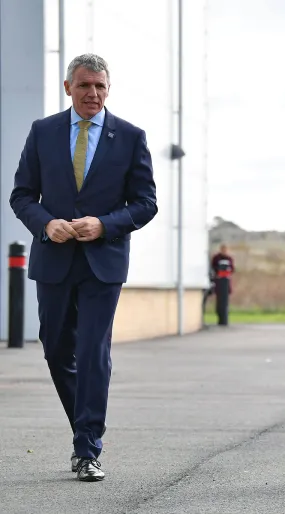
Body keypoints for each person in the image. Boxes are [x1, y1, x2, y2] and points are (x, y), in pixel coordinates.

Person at [9, 53, 158, 482]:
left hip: (103, 262)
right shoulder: (43, 133)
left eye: (100, 87)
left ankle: (88, 446)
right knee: (56, 349)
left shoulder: (130, 137)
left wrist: (104, 224)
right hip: (53, 259)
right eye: (85, 86)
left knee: (93, 351)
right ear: (68, 87)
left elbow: (146, 203)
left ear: (108, 90)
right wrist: (46, 224)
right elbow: (22, 195)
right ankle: (84, 429)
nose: (93, 94)